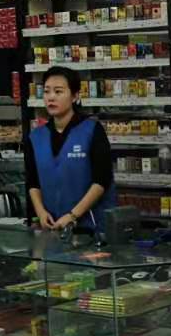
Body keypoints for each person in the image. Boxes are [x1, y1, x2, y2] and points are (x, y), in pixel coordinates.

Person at [24, 66, 116, 232]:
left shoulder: (92, 130)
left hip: (90, 229)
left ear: (75, 96)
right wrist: (41, 212)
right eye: (47, 91)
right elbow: (33, 182)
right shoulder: (36, 137)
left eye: (58, 91)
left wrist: (72, 216)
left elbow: (102, 180)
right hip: (52, 227)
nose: (51, 97)